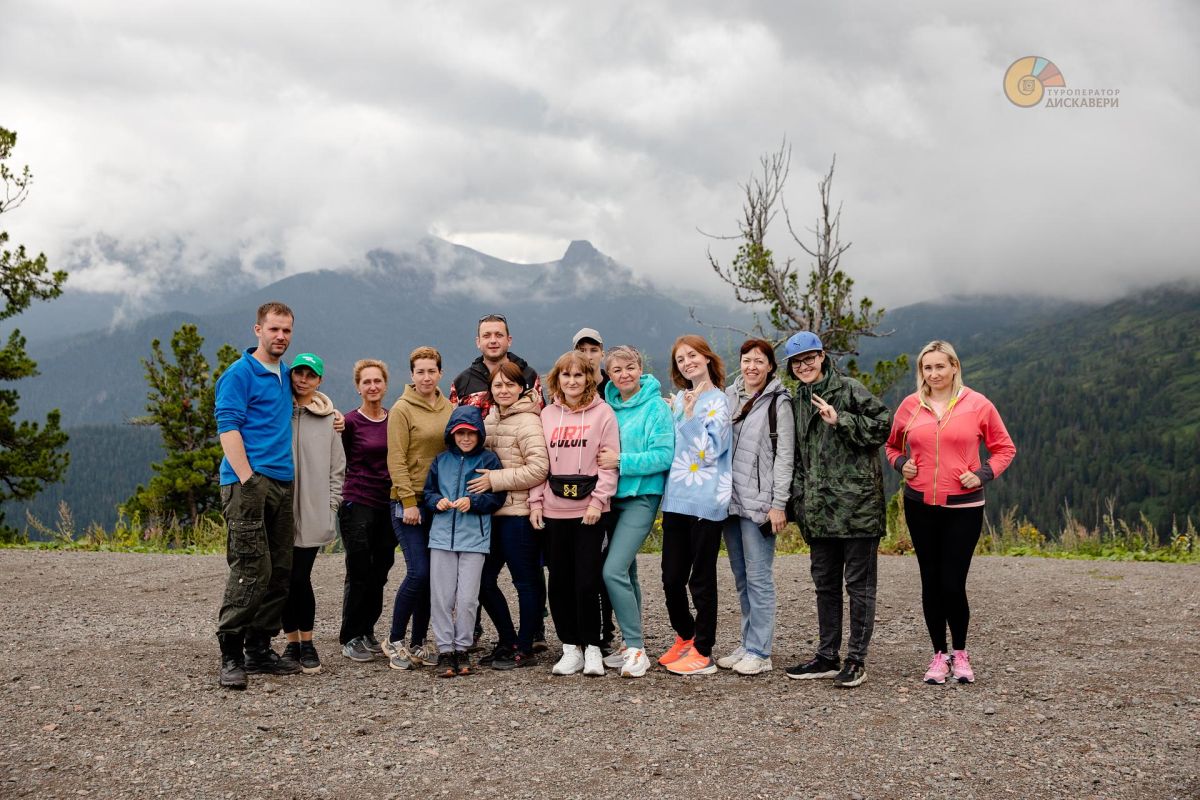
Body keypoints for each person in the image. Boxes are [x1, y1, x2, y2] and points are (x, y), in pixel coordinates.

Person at [885, 340, 1016, 685]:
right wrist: (902, 464)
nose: (934, 373)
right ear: (921, 372)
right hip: (920, 505)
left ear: (954, 367)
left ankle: (960, 653)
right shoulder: (910, 406)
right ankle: (938, 655)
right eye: (927, 368)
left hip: (964, 507)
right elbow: (891, 445)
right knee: (930, 582)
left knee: (953, 583)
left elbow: (1004, 448)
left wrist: (983, 473)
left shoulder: (978, 405)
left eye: (940, 366)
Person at [782, 331, 892, 689]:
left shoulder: (848, 389)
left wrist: (840, 420)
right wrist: (798, 500)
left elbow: (883, 427)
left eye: (810, 358)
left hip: (857, 507)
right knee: (825, 586)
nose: (804, 366)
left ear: (823, 356)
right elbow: (797, 454)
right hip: (818, 510)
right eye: (797, 362)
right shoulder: (797, 399)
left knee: (858, 587)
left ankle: (856, 660)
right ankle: (827, 656)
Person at [214, 301, 301, 690]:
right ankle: (231, 653)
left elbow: (306, 402)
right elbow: (228, 427)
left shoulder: (284, 374)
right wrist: (248, 478)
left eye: (286, 331)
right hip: (248, 482)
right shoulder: (239, 373)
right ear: (257, 330)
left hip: (284, 482)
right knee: (251, 568)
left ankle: (260, 649)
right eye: (273, 329)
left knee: (280, 568)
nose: (280, 336)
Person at [528, 351, 620, 677]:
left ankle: (592, 647)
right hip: (554, 510)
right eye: (566, 375)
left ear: (589, 379)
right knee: (560, 582)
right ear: (557, 379)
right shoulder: (547, 415)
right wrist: (535, 503)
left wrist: (598, 501)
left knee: (587, 581)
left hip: (590, 512)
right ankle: (570, 648)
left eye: (578, 375)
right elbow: (540, 466)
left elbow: (609, 462)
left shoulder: (603, 413)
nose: (572, 381)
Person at [718, 339, 795, 676]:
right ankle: (748, 641)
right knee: (741, 577)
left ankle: (760, 652)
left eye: (759, 361)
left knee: (759, 578)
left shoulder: (780, 403)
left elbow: (785, 458)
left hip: (760, 504)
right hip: (729, 502)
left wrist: (779, 504)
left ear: (770, 366)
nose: (751, 367)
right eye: (746, 360)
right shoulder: (729, 396)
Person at [657, 335, 733, 676]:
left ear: (706, 358)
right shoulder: (680, 401)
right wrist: (677, 411)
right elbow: (672, 448)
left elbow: (709, 452)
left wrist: (689, 417)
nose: (687, 362)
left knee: (700, 579)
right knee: (671, 577)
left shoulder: (719, 401)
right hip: (676, 497)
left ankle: (703, 650)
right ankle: (685, 635)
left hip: (706, 500)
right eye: (680, 359)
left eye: (692, 355)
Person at [597, 345, 674, 678]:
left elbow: (663, 456)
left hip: (643, 496)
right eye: (617, 370)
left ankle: (638, 648)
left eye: (630, 367)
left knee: (612, 570)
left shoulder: (656, 407)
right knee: (626, 572)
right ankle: (629, 644)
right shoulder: (606, 406)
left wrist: (621, 462)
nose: (624, 374)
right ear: (609, 375)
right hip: (612, 497)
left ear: (639, 368)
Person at [470, 362, 549, 670]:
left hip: (518, 514)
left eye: (509, 385)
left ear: (522, 388)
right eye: (498, 385)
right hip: (492, 514)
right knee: (483, 579)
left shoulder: (529, 421)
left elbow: (539, 468)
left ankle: (525, 647)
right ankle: (507, 639)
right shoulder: (490, 418)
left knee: (525, 582)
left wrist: (496, 480)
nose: (503, 390)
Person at [423, 406, 506, 677]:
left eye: (471, 433)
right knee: (442, 597)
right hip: (441, 537)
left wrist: (474, 502)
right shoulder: (441, 461)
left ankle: (463, 647)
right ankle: (446, 650)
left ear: (479, 434)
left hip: (475, 538)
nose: (466, 438)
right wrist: (437, 502)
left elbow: (497, 497)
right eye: (460, 433)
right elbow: (429, 493)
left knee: (468, 598)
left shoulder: (489, 461)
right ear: (452, 434)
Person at [384, 347, 453, 670]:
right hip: (407, 503)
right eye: (420, 371)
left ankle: (418, 642)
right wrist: (408, 501)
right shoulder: (401, 410)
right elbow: (395, 459)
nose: (426, 377)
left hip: (437, 502)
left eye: (431, 371)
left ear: (440, 373)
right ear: (412, 375)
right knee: (419, 571)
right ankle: (395, 639)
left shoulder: (448, 408)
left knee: (433, 576)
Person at [281, 353, 345, 675]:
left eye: (310, 375)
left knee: (299, 578)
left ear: (319, 380)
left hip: (312, 512)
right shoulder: (278, 411)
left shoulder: (329, 419)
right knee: (281, 580)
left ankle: (307, 643)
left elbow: (338, 469)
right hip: (278, 510)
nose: (303, 379)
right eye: (298, 373)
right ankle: (291, 644)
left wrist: (330, 507)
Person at [337, 359, 395, 663]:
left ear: (385, 384)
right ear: (358, 387)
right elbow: (338, 459)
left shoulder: (393, 419)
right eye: (366, 382)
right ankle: (350, 636)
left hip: (388, 505)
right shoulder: (348, 422)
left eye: (377, 381)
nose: (372, 386)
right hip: (357, 502)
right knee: (358, 572)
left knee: (381, 570)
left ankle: (368, 629)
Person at [450, 314, 544, 415]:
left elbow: (542, 416)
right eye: (486, 336)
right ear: (478, 342)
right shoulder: (462, 382)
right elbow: (453, 424)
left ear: (509, 340)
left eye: (499, 335)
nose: (493, 340)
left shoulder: (528, 375)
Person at [573, 327, 609, 397]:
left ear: (602, 355)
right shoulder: (565, 392)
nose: (588, 357)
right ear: (574, 356)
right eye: (582, 351)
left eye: (593, 350)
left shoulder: (615, 388)